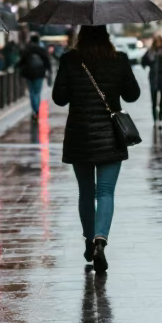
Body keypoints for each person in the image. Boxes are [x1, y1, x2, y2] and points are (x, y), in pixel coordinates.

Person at [51, 25, 141, 273]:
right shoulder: (118, 59)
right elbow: (133, 94)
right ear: (107, 36)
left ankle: (89, 241)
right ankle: (101, 240)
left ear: (81, 36)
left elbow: (59, 97)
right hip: (111, 135)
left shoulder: (70, 59)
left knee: (86, 192)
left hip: (80, 134)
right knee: (105, 192)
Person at [141, 36, 162, 127]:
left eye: (160, 41)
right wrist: (148, 62)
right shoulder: (150, 52)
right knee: (154, 101)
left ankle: (160, 119)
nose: (158, 43)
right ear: (154, 42)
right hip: (153, 78)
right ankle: (155, 120)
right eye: (157, 41)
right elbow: (143, 62)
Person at [18, 34, 52, 119]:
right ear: (38, 41)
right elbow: (46, 61)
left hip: (29, 74)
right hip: (39, 73)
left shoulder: (27, 50)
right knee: (37, 92)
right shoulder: (41, 50)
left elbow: (22, 61)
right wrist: (49, 70)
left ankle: (34, 110)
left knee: (32, 92)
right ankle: (36, 110)